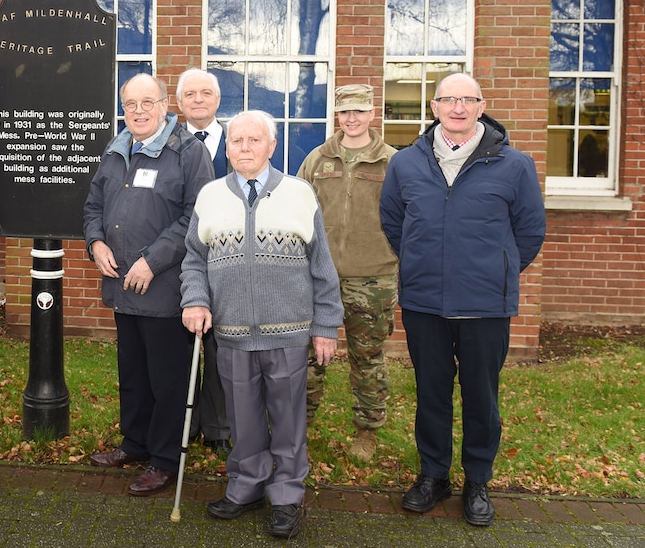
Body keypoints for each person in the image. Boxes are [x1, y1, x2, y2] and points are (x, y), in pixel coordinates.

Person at [379, 73, 546, 527]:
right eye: (449, 99)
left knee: (480, 396)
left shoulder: (515, 165)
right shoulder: (406, 164)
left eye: (467, 99)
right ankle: (433, 475)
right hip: (424, 303)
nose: (458, 107)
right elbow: (394, 223)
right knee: (431, 394)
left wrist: (498, 270)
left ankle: (477, 480)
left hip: (486, 305)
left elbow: (530, 232)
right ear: (433, 107)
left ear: (480, 106)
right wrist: (421, 262)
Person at [181, 110, 343, 540]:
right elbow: (193, 261)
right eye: (237, 141)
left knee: (288, 417)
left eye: (255, 140)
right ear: (227, 147)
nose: (245, 148)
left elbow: (323, 267)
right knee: (243, 416)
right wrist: (195, 300)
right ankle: (247, 484)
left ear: (272, 147)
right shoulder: (210, 196)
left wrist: (326, 324)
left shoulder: (299, 194)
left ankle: (287, 494)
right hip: (231, 332)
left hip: (288, 330)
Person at [83, 72, 213, 496]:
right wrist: (96, 242)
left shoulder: (188, 152)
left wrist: (151, 261)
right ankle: (135, 443)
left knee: (168, 379)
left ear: (163, 106)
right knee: (133, 373)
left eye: (146, 103)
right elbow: (94, 205)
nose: (137, 112)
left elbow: (196, 216)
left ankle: (164, 459)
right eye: (129, 104)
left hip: (164, 289)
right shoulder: (116, 148)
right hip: (123, 288)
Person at [297, 84, 398, 462]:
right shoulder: (317, 159)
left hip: (372, 278)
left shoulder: (391, 161)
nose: (351, 119)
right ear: (336, 115)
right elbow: (299, 212)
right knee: (307, 357)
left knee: (367, 356)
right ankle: (298, 428)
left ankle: (367, 432)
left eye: (359, 111)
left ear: (373, 113)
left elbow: (407, 217)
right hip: (318, 276)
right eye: (344, 112)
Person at [175, 67, 231, 453]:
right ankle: (184, 423)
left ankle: (219, 429)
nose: (198, 99)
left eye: (205, 93)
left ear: (217, 100)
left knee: (222, 352)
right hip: (181, 264)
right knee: (181, 350)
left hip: (228, 264)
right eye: (190, 94)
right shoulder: (166, 143)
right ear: (179, 102)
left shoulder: (239, 142)